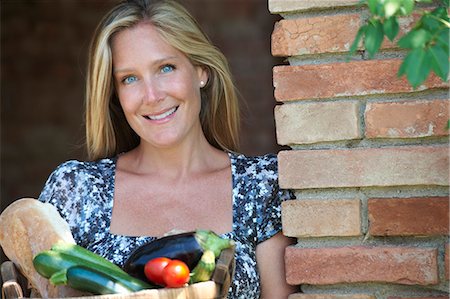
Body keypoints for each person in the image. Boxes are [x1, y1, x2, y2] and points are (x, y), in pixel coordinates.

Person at [38, 0, 297, 298]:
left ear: (201, 70)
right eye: (129, 78)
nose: (151, 95)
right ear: (115, 94)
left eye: (165, 68)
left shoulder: (261, 186)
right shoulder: (77, 189)